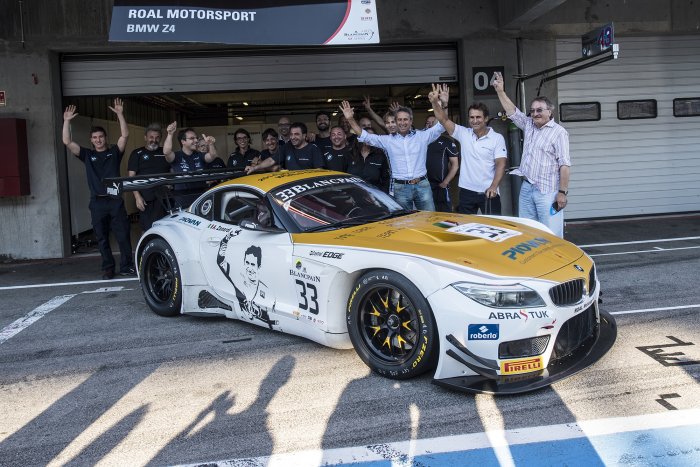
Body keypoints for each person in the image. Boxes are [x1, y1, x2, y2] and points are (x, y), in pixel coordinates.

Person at [62, 99, 135, 279]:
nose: (98, 140)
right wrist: (67, 121)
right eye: (94, 138)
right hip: (97, 202)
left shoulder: (114, 153)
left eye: (100, 137)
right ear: (91, 140)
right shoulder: (87, 155)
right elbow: (67, 141)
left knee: (123, 235)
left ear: (105, 138)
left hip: (115, 201)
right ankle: (108, 268)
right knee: (102, 238)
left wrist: (119, 114)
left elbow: (125, 136)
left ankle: (126, 266)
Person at [492, 71, 570, 237]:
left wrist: (562, 193)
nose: (535, 113)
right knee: (528, 232)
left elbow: (564, 165)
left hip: (547, 191)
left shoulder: (559, 133)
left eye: (539, 110)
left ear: (550, 111)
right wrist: (500, 91)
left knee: (551, 233)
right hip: (527, 188)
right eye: (532, 110)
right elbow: (513, 111)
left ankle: (554, 262)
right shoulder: (529, 125)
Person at [340, 98, 447, 211]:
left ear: (411, 121)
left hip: (422, 185)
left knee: (429, 218)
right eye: (399, 120)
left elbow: (442, 125)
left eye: (405, 119)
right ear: (396, 122)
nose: (402, 122)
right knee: (404, 222)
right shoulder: (387, 140)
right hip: (400, 188)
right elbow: (365, 135)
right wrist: (350, 119)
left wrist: (444, 104)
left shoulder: (422, 136)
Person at [429, 92, 508, 215]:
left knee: (493, 228)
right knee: (465, 227)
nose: (475, 121)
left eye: (478, 117)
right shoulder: (464, 133)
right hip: (466, 192)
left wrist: (493, 186)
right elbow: (443, 120)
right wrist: (435, 103)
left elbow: (501, 165)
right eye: (472, 117)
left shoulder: (497, 138)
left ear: (486, 118)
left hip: (488, 191)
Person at [127, 123, 171, 231]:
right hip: (146, 199)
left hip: (165, 199)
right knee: (147, 229)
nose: (154, 140)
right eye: (151, 137)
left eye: (157, 138)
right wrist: (137, 197)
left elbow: (172, 171)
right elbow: (131, 177)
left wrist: (171, 185)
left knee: (166, 228)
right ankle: (146, 248)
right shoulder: (137, 153)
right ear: (145, 137)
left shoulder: (165, 152)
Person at [163, 122, 218, 209]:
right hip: (182, 201)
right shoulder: (176, 156)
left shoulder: (199, 155)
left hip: (201, 200)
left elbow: (212, 156)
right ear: (183, 141)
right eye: (192, 138)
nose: (196, 141)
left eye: (196, 138)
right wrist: (170, 134)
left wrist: (210, 144)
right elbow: (166, 152)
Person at [424, 115, 459, 212]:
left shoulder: (447, 142)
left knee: (444, 214)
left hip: (440, 185)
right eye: (427, 123)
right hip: (422, 185)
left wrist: (445, 182)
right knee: (425, 215)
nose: (430, 125)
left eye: (433, 122)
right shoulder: (420, 140)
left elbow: (455, 165)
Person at [347, 127, 391, 193]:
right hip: (353, 194)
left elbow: (386, 179)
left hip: (374, 195)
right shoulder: (351, 153)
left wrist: (382, 195)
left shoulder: (380, 155)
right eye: (367, 135)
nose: (369, 138)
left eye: (371, 136)